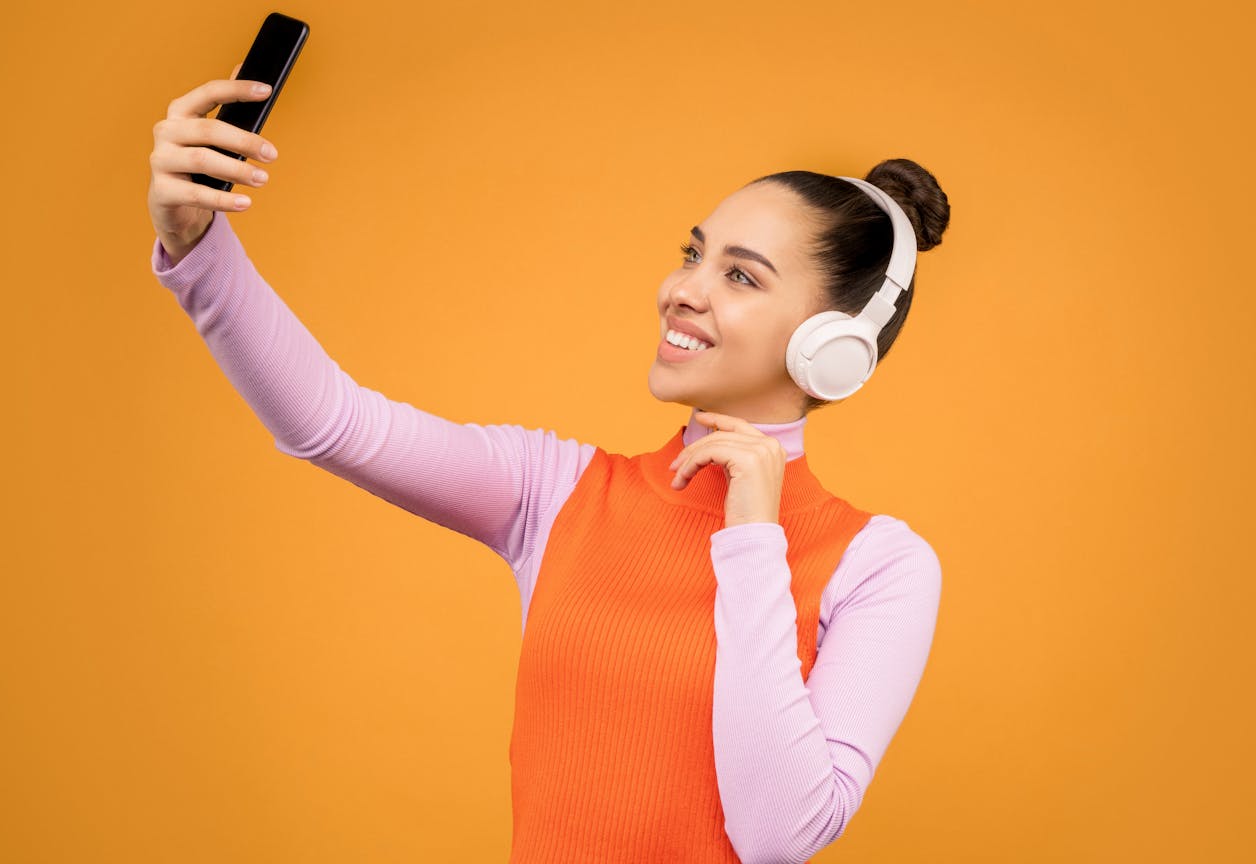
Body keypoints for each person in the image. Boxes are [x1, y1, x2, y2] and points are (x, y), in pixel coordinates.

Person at [147, 69, 949, 864]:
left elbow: (778, 835)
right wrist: (197, 248)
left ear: (832, 348)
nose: (681, 290)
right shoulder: (557, 492)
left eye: (739, 276)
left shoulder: (880, 567)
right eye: (692, 254)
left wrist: (751, 543)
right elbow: (332, 423)